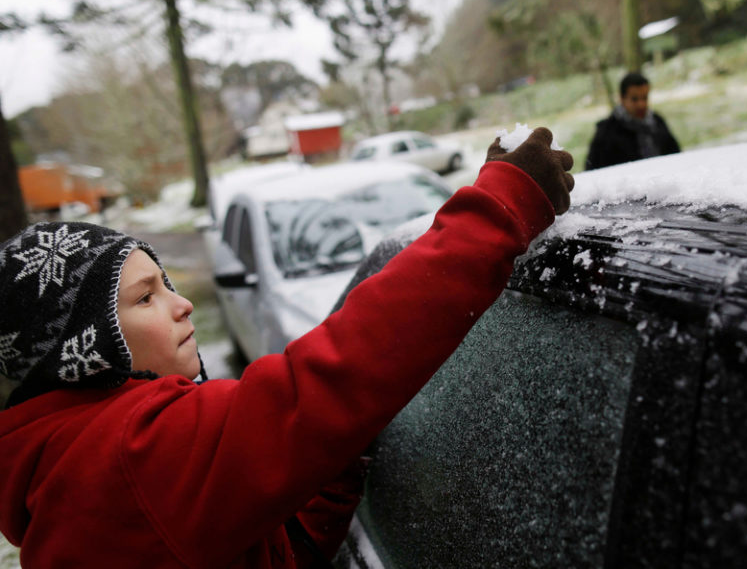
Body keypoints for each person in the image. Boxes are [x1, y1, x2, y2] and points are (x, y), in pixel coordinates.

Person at [0, 128, 575, 568]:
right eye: (145, 297)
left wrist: (330, 469)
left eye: (168, 283)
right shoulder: (126, 454)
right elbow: (333, 375)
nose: (183, 305)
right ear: (83, 343)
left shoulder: (72, 464)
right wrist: (501, 206)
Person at [584, 72, 680, 170]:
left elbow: (677, 157)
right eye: (634, 99)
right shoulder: (606, 133)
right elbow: (594, 171)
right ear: (622, 99)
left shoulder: (658, 123)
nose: (641, 105)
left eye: (645, 98)